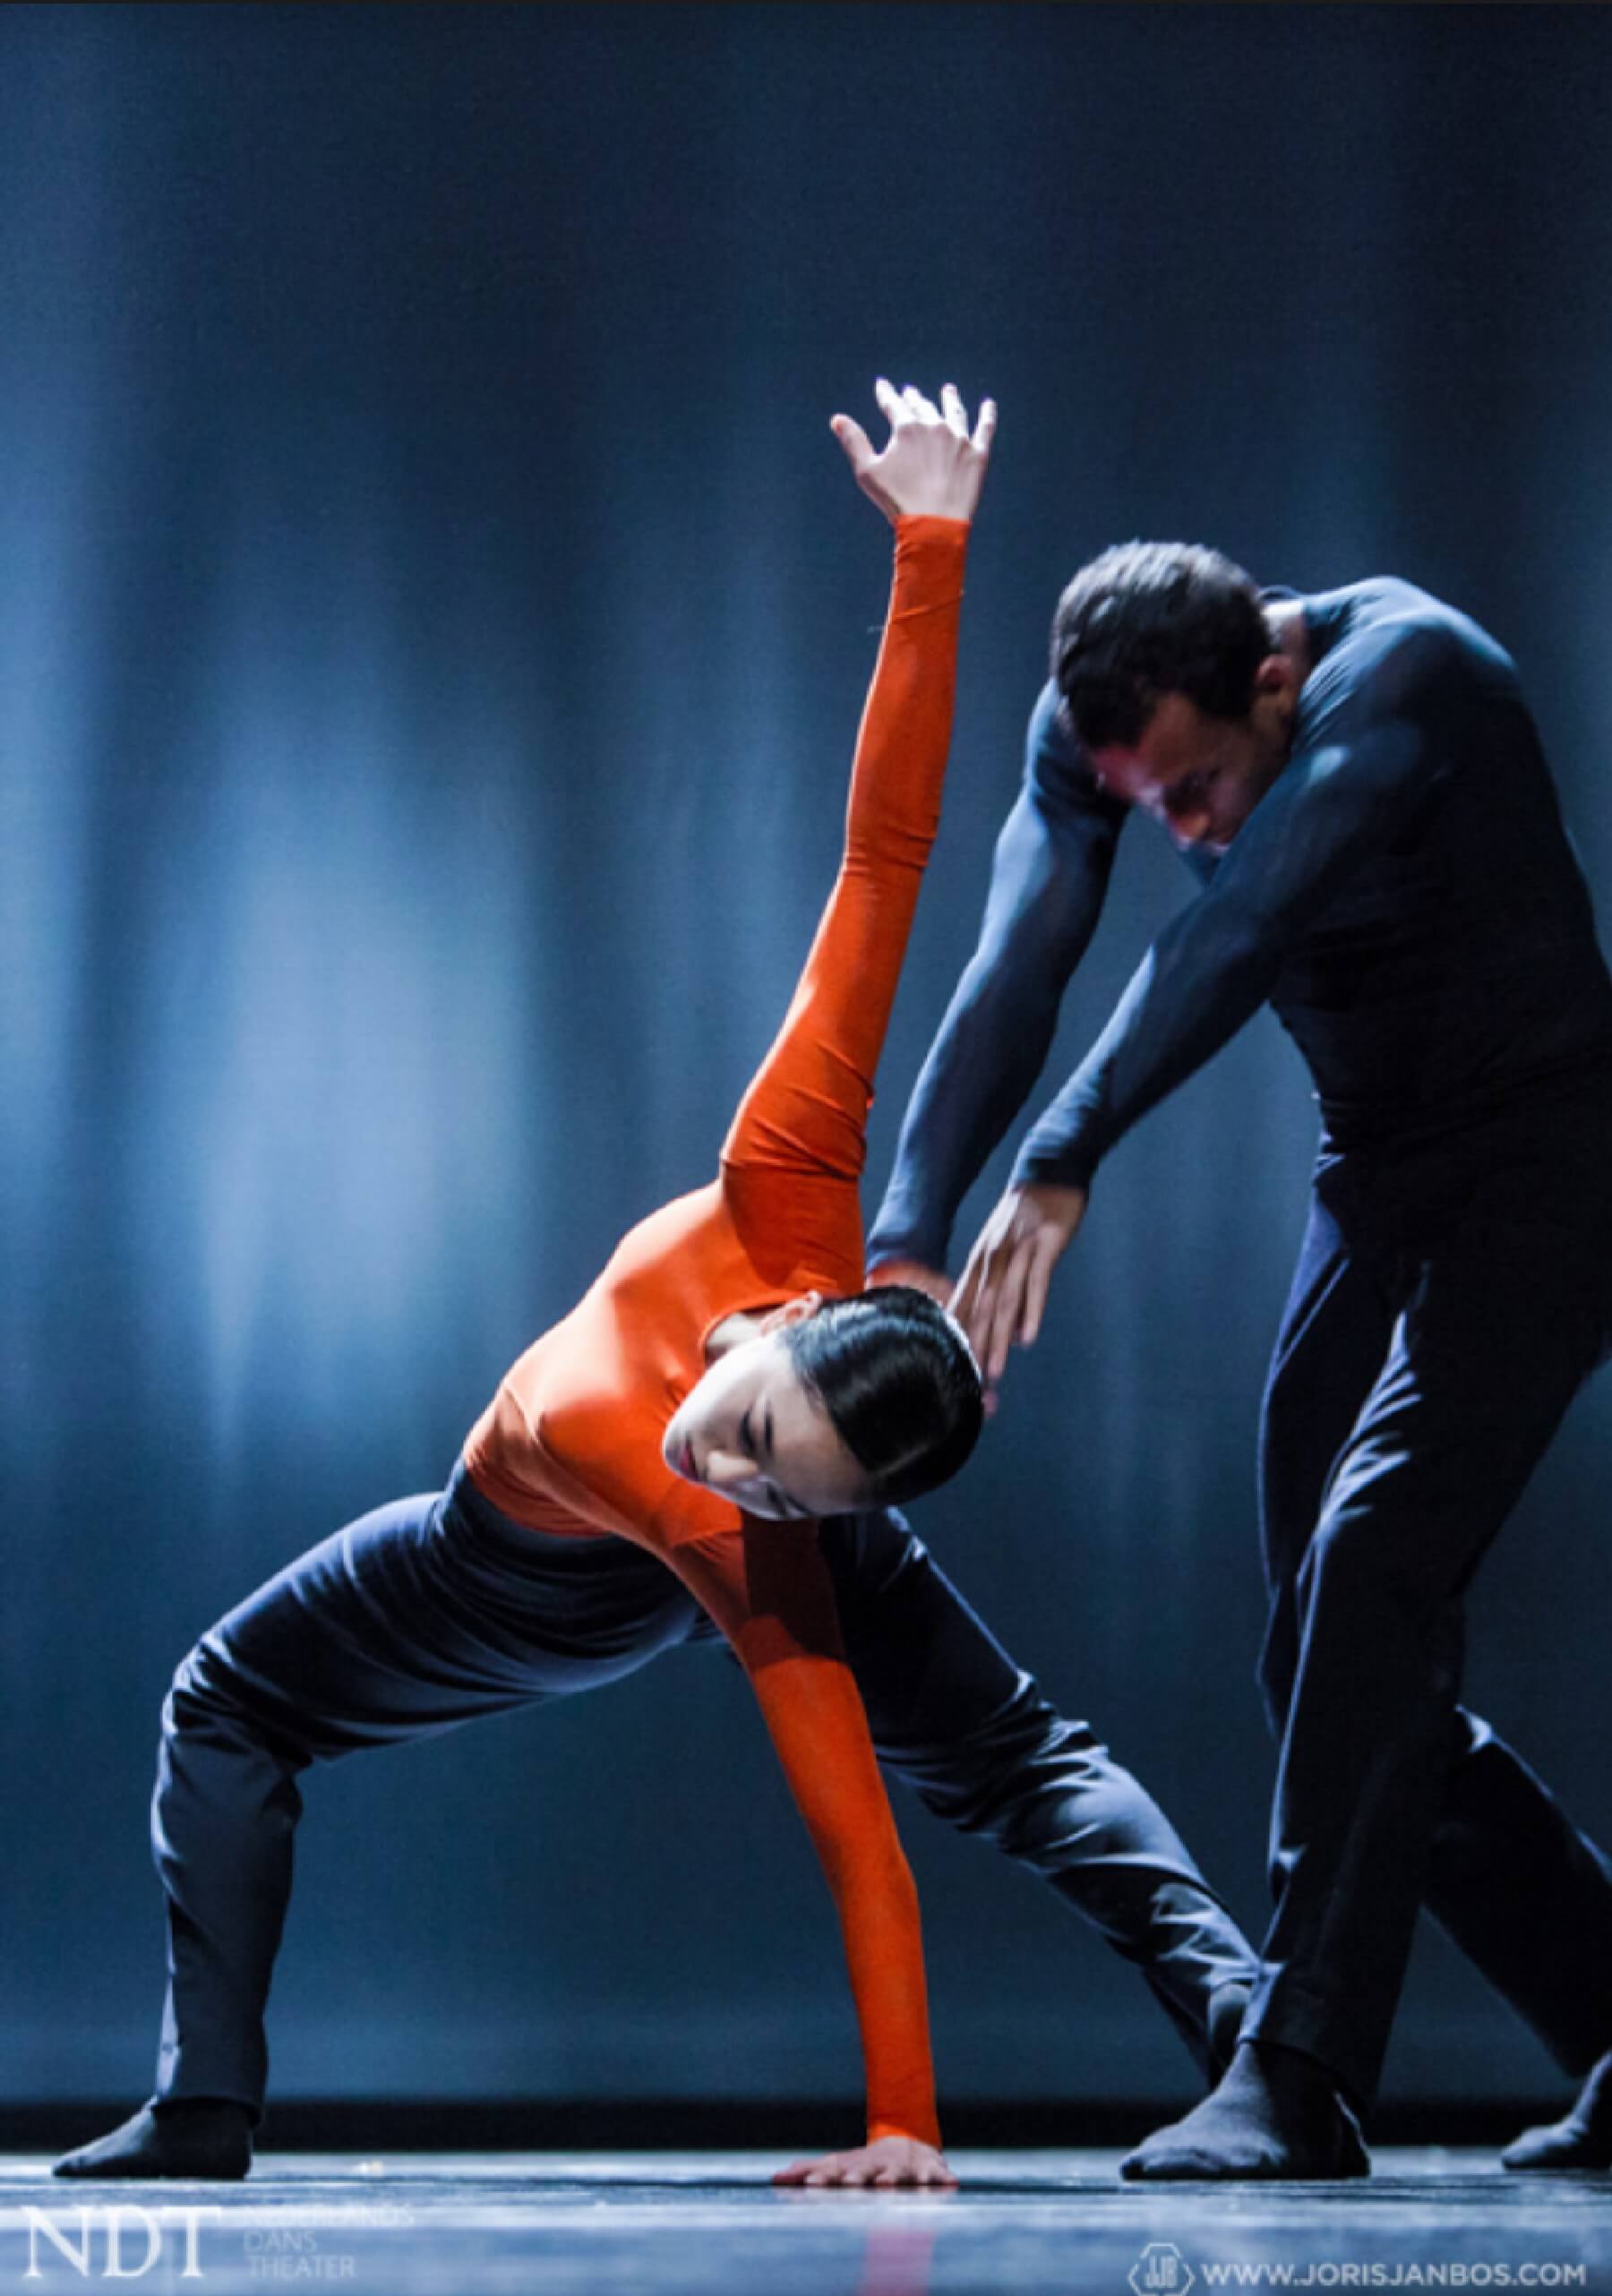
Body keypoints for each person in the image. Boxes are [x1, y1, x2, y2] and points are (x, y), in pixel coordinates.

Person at [56, 398, 1257, 2190]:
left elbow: (856, 1838)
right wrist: (932, 551)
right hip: (511, 1571)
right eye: (760, 1437)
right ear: (781, 1319)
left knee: (1012, 1759)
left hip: (641, 1568)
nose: (734, 1471)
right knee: (230, 1701)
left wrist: (904, 2127)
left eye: (788, 1493)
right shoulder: (790, 1177)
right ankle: (203, 2109)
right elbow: (883, 866)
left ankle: (1267, 2047)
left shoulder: (754, 1534)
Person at [869, 539, 1612, 2179]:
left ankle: (1298, 2075)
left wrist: (1062, 1155)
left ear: (1272, 683)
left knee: (1375, 1565)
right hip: (1380, 1173)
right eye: (1151, 807)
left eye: (1199, 788)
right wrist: (908, 1234)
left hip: (1554, 1164)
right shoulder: (1102, 730)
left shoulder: (1409, 676)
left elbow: (1248, 920)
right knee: (1324, 1660)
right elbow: (1024, 953)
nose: (1186, 829)